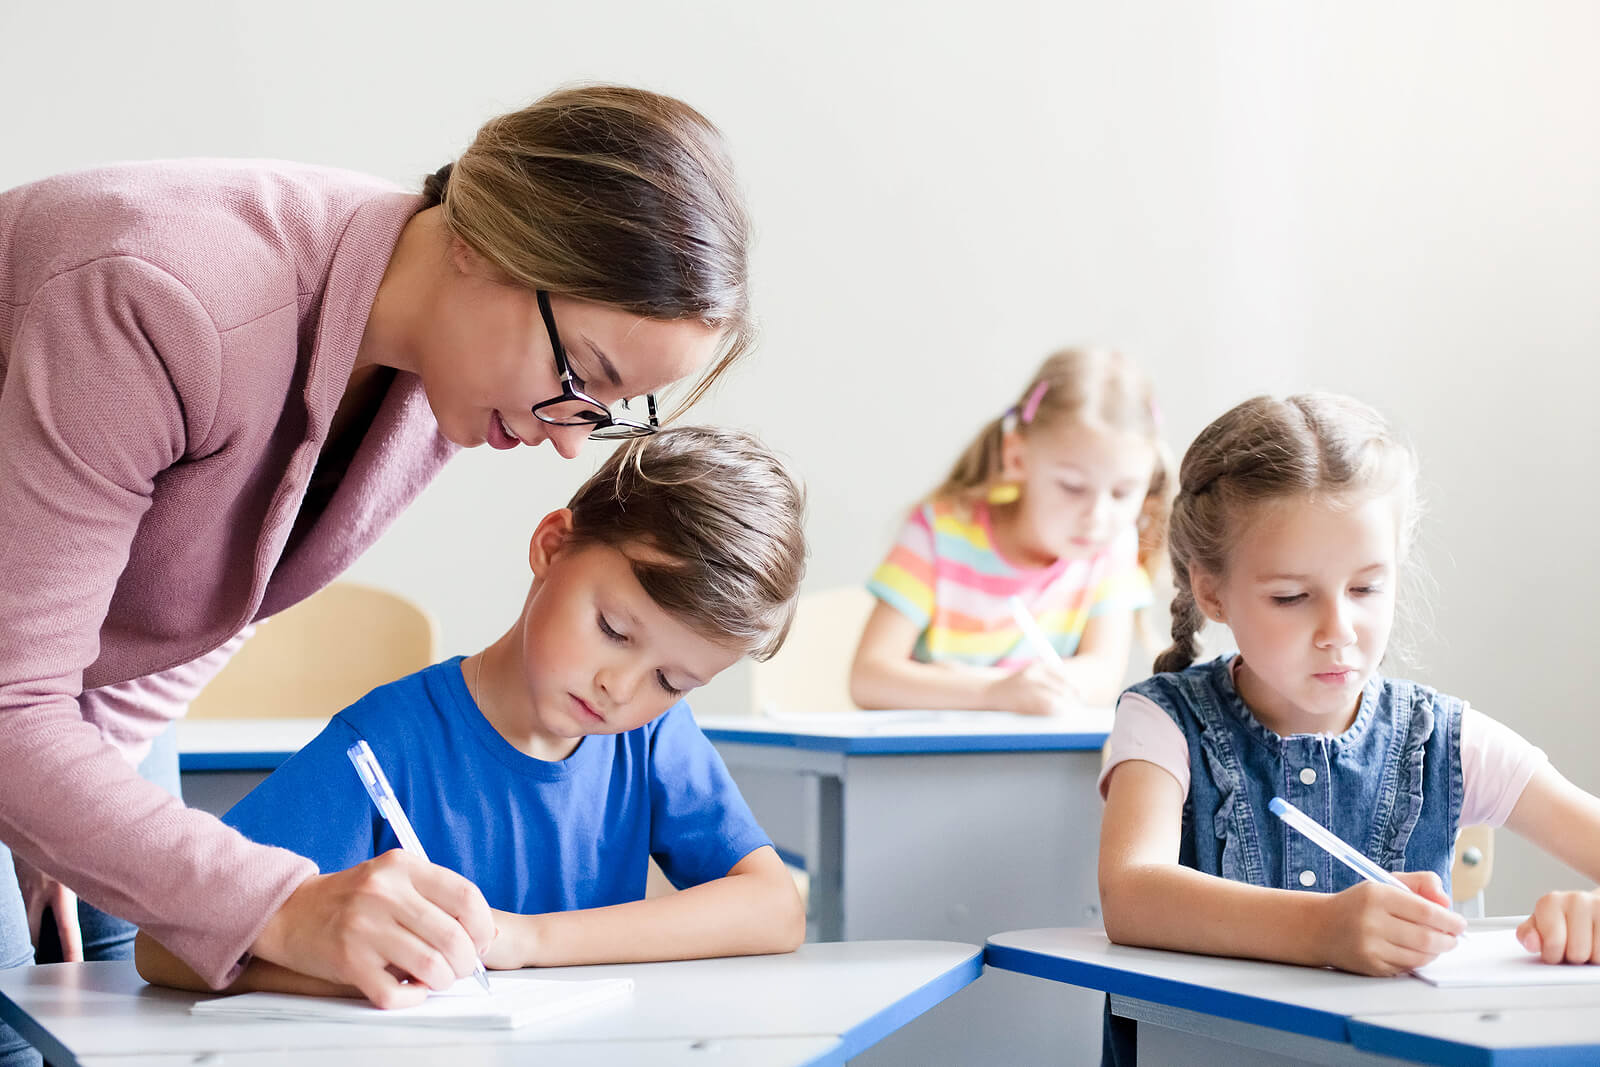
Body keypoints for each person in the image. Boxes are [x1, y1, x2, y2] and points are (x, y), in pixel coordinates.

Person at [0, 82, 755, 1062]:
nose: (572, 443)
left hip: (47, 692)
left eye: (609, 408)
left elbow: (203, 596)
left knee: (117, 1012)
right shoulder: (161, 296)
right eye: (582, 377)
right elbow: (11, 699)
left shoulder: (445, 375)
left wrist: (68, 802)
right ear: (483, 241)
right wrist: (271, 899)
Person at [134, 425, 807, 998]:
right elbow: (163, 950)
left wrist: (528, 940)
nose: (620, 687)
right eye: (612, 628)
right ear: (551, 546)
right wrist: (359, 969)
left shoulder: (653, 736)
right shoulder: (383, 745)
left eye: (671, 677)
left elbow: (775, 908)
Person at [1097, 393, 1600, 1063]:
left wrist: (1589, 918)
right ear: (1212, 591)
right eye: (1291, 597)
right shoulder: (1162, 721)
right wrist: (1324, 930)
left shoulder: (1445, 738)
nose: (1339, 632)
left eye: (1366, 588)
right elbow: (1131, 893)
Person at [850, 348, 1170, 714]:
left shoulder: (1113, 546)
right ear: (1018, 458)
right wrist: (993, 692)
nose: (1097, 517)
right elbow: (868, 677)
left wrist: (969, 684)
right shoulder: (940, 533)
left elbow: (1102, 677)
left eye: (1122, 493)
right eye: (1072, 487)